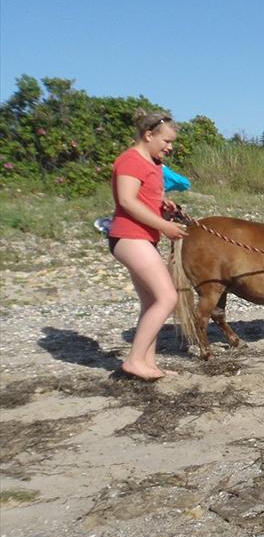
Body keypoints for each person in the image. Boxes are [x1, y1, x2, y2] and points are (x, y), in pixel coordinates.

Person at [107, 110, 188, 381]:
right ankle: (134, 360)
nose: (169, 147)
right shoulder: (131, 160)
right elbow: (127, 201)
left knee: (152, 301)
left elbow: (143, 199)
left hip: (142, 238)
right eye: (166, 141)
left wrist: (163, 207)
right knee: (167, 298)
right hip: (129, 237)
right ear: (148, 134)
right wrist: (165, 226)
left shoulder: (152, 163)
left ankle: (147, 362)